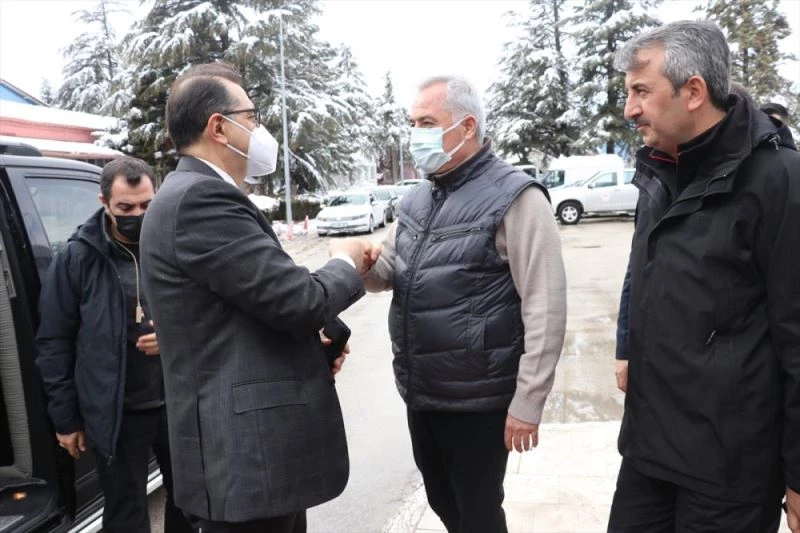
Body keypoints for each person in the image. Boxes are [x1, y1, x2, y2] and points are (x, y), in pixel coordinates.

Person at [139, 62, 376, 533]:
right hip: (245, 463)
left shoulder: (198, 194)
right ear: (219, 127)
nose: (261, 130)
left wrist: (316, 340)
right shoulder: (200, 199)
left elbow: (247, 305)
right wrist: (345, 260)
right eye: (253, 117)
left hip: (252, 465)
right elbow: (298, 301)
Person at [608, 21, 800, 532]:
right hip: (649, 450)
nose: (629, 109)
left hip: (730, 471)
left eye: (640, 91)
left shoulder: (779, 179)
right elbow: (640, 275)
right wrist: (627, 344)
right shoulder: (658, 172)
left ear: (693, 91)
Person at [359, 76, 567, 533]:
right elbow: (389, 269)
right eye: (413, 123)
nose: (415, 134)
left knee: (478, 513)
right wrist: (361, 264)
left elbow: (545, 304)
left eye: (427, 123)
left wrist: (528, 400)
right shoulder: (417, 198)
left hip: (479, 399)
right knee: (443, 501)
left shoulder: (517, 197)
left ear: (467, 126)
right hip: (423, 390)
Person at [34, 156, 192, 533]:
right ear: (104, 202)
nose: (137, 215)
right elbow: (54, 342)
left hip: (179, 404)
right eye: (125, 208)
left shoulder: (175, 245)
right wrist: (66, 420)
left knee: (191, 505)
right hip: (117, 414)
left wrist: (174, 336)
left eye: (146, 205)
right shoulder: (78, 257)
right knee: (125, 514)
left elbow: (207, 311)